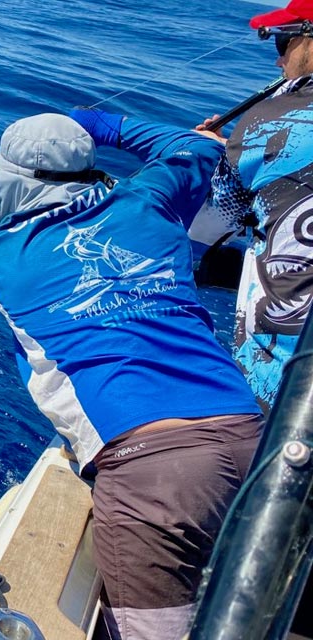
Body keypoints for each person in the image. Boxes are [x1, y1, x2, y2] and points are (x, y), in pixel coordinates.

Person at [0, 112, 263, 639]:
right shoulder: (152, 198)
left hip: (152, 474)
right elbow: (194, 146)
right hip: (252, 436)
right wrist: (98, 123)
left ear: (9, 182)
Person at [191, 0, 313, 413]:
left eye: (284, 40)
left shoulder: (269, 120)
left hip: (284, 370)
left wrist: (225, 154)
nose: (279, 58)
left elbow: (210, 223)